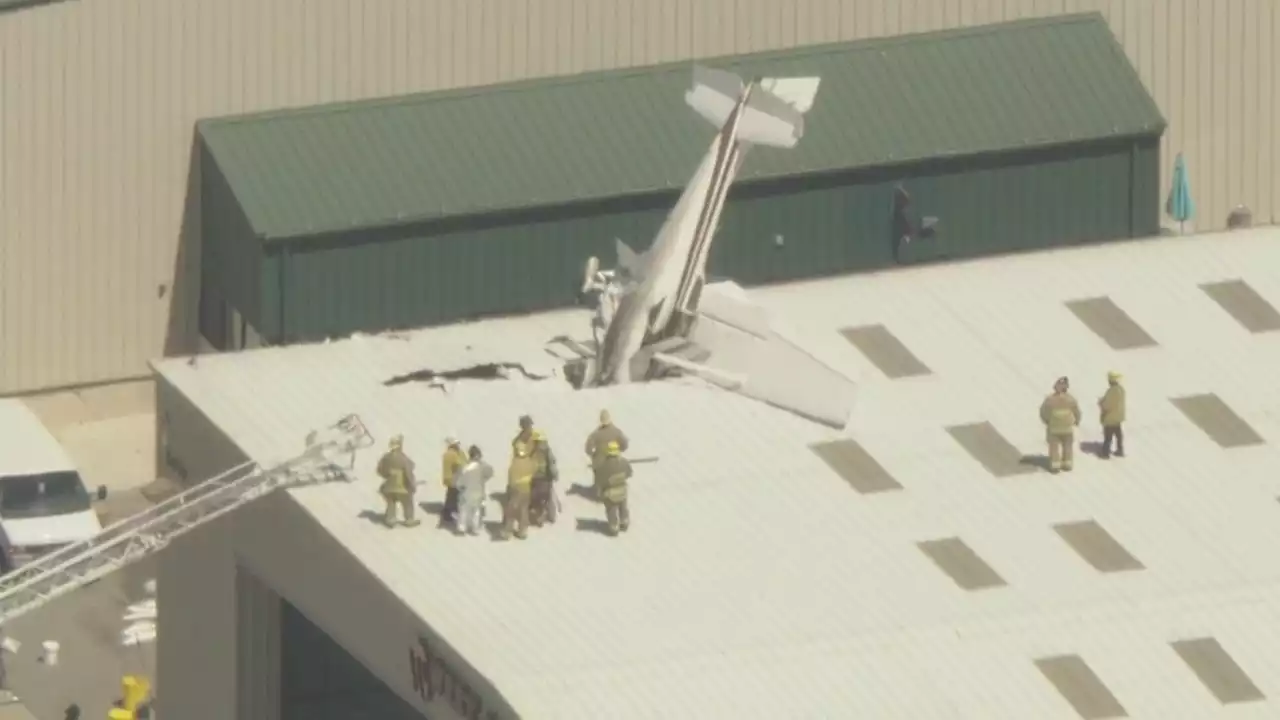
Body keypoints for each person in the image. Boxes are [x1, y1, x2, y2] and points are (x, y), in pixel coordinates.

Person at [376, 435, 420, 527]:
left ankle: (391, 519)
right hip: (402, 487)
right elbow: (408, 473)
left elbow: (380, 470)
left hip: (389, 486)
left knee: (391, 502)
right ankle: (409, 519)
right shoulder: (403, 458)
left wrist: (387, 475)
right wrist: (412, 485)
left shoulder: (386, 457)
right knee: (407, 503)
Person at [1040, 377, 1082, 473]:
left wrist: (1047, 421)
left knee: (1054, 446)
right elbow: (1077, 412)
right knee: (1067, 445)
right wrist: (1077, 421)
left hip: (1054, 427)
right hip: (1067, 428)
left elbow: (1044, 412)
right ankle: (1067, 463)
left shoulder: (1050, 400)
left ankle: (1055, 465)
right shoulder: (1071, 399)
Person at [584, 410, 629, 498]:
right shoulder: (617, 432)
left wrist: (593, 455)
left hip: (599, 462)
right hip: (614, 459)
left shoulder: (595, 434)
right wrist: (620, 450)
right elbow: (625, 444)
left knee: (597, 473)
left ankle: (599, 490)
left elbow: (588, 448)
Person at [454, 445, 494, 536]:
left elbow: (460, 481)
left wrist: (459, 486)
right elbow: (490, 472)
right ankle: (475, 528)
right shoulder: (482, 466)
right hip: (479, 491)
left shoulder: (465, 467)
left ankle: (462, 528)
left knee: (464, 510)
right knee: (476, 511)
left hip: (467, 491)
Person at [595, 441, 633, 536]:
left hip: (610, 493)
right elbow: (629, 474)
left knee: (611, 510)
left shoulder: (603, 466)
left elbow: (599, 480)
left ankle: (614, 526)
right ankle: (624, 521)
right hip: (622, 491)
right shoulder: (624, 462)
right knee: (623, 507)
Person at [503, 442, 538, 540]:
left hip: (516, 489)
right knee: (524, 510)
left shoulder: (515, 462)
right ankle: (522, 531)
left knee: (511, 510)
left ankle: (508, 531)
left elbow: (511, 476)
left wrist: (510, 488)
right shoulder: (530, 461)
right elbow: (534, 471)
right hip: (526, 489)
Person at [529, 430, 560, 526]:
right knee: (550, 496)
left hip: (534, 480)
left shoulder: (530, 450)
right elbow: (552, 465)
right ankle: (551, 515)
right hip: (545, 479)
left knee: (533, 496)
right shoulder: (547, 450)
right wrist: (555, 476)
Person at [440, 435, 467, 527]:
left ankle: (449, 511)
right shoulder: (451, 454)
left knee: (451, 495)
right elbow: (459, 464)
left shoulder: (456, 452)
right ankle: (448, 513)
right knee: (452, 496)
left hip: (454, 478)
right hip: (453, 478)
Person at [1098, 371, 1127, 458]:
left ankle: (1105, 453)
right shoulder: (1121, 389)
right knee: (1118, 434)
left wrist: (1101, 403)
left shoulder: (1111, 391)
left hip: (1110, 417)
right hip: (1118, 417)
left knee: (1108, 436)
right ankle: (1120, 449)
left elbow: (1108, 405)